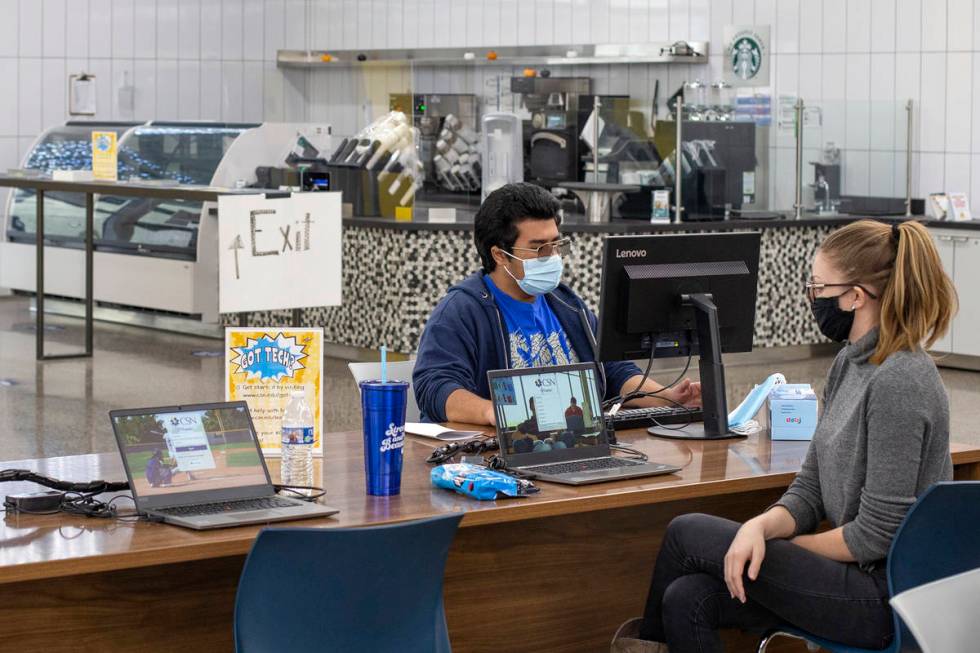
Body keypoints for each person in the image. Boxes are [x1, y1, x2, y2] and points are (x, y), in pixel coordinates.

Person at [611, 220, 957, 653]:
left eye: (818, 287)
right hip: (850, 581)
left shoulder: (901, 380)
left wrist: (785, 549)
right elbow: (810, 490)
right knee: (687, 598)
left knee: (687, 532)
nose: (813, 298)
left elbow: (877, 535)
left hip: (885, 598)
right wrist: (760, 527)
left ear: (855, 296)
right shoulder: (849, 364)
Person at [413, 183, 700, 425]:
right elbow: (436, 388)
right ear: (500, 255)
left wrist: (668, 396)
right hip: (497, 459)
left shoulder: (567, 304)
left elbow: (614, 371)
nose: (552, 257)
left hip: (577, 446)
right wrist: (495, 412)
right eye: (539, 248)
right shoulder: (461, 311)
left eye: (556, 244)